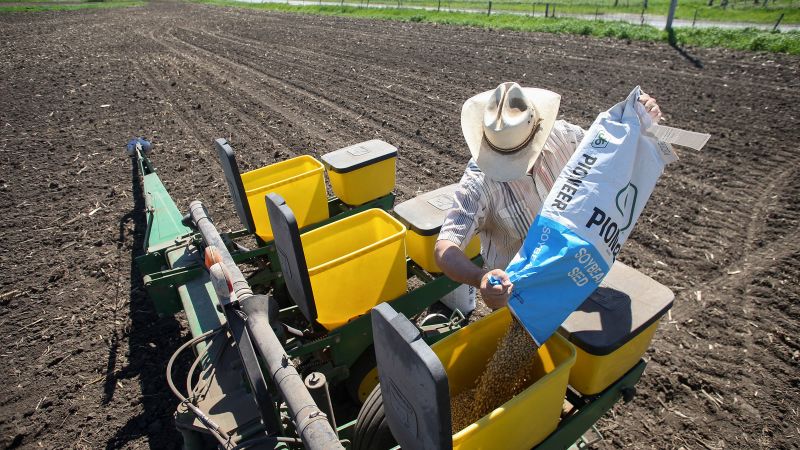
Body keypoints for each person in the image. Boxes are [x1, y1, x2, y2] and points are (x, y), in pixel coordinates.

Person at [434, 82, 661, 309]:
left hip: (574, 267)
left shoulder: (564, 136)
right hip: (517, 291)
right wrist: (480, 277)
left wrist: (638, 119)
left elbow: (610, 150)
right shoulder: (479, 182)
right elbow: (445, 248)